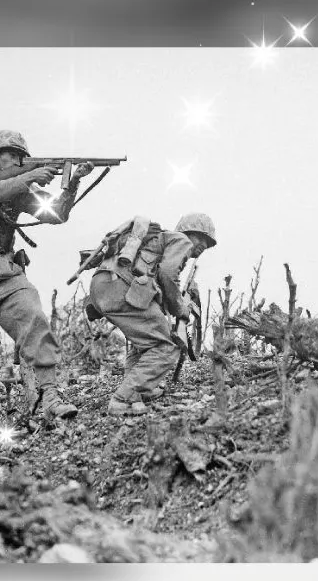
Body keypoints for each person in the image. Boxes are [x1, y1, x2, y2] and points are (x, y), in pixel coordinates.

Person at [0, 129, 94, 419]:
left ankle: (49, 399)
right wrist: (29, 176)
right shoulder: (16, 184)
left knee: (35, 319)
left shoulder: (18, 191)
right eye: (8, 156)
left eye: (18, 157)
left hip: (4, 272)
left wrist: (72, 183)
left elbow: (55, 214)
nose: (13, 161)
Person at [88, 212, 217, 416]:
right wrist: (180, 307)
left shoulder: (159, 243)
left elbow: (158, 280)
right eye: (202, 238)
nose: (204, 246)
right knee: (166, 346)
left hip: (103, 286)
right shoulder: (181, 240)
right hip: (120, 287)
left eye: (209, 244)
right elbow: (167, 273)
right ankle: (124, 398)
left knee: (146, 342)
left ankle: (139, 391)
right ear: (189, 232)